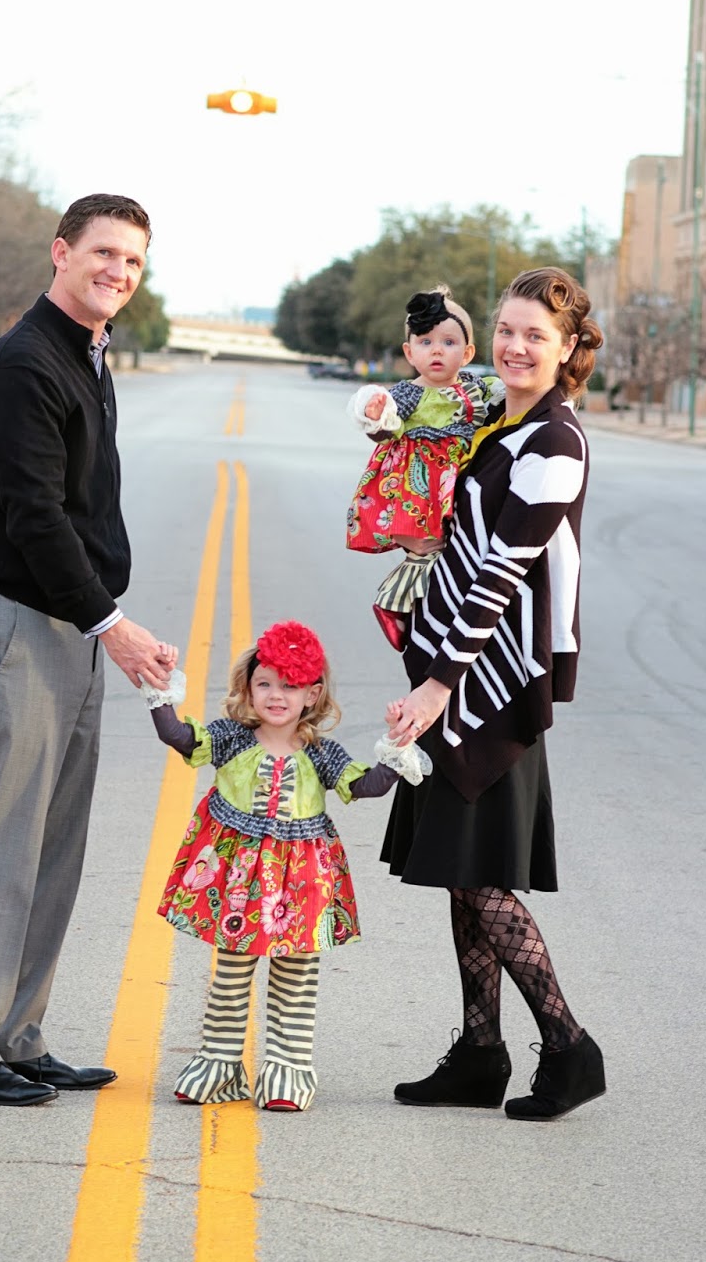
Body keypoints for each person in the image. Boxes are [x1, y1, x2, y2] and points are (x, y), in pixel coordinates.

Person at [0, 193, 177, 1107]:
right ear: (62, 252)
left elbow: (79, 514)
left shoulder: (85, 356)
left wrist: (100, 619)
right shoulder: (27, 364)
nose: (118, 271)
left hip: (69, 626)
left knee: (53, 846)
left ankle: (18, 1034)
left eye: (134, 262)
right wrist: (114, 624)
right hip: (16, 629)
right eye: (104, 253)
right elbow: (34, 519)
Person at [382, 267, 606, 1121]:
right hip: (454, 663)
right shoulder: (500, 425)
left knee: (482, 877)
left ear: (568, 349)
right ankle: (480, 1053)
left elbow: (507, 571)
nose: (516, 347)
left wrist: (442, 682)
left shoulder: (554, 442)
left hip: (494, 680)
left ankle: (568, 1046)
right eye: (507, 330)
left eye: (536, 336)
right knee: (460, 868)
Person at [145, 621, 429, 1111]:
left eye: (290, 686)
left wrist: (399, 746)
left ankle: (287, 1070)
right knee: (232, 972)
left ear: (312, 694)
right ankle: (219, 1064)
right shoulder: (232, 737)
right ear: (248, 688)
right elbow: (178, 736)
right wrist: (160, 686)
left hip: (301, 877)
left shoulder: (319, 751)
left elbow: (366, 787)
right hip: (239, 881)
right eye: (265, 684)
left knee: (295, 974)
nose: (277, 696)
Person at [346, 287, 503, 649]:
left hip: (461, 477)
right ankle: (395, 605)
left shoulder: (477, 388)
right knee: (424, 547)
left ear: (467, 353)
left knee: (457, 552)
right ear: (409, 352)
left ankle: (440, 610)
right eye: (425, 340)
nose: (436, 350)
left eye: (448, 342)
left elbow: (510, 402)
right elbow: (385, 425)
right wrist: (376, 413)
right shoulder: (408, 393)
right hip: (418, 484)